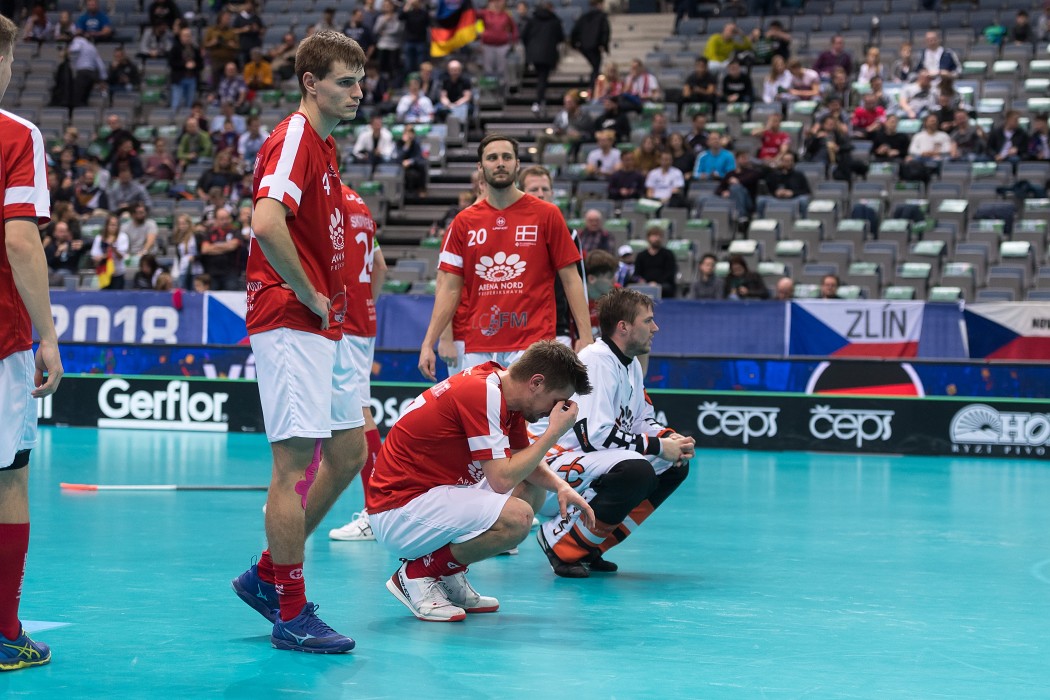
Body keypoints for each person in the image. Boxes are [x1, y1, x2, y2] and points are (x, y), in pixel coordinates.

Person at [229, 30, 368, 655]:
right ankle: (289, 608)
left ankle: (267, 572)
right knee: (290, 469)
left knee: (348, 452)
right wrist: (310, 292)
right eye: (346, 81)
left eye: (360, 80)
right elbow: (264, 221)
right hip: (290, 318)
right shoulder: (293, 139)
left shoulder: (326, 147)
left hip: (325, 327)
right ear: (312, 83)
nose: (358, 91)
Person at [368, 340, 594, 620]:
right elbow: (500, 480)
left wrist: (561, 486)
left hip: (432, 493)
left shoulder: (503, 391)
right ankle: (417, 574)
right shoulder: (482, 393)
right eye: (555, 401)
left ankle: (448, 573)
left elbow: (524, 459)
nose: (553, 411)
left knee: (531, 488)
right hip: (398, 509)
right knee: (518, 517)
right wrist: (553, 434)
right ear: (536, 383)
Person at [535, 288, 692, 578]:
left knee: (674, 466)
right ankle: (560, 543)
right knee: (638, 470)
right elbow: (594, 437)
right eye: (648, 321)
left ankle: (591, 545)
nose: (655, 328)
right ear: (623, 327)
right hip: (552, 469)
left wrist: (671, 441)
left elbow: (642, 419)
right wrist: (657, 447)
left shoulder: (630, 363)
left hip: (586, 463)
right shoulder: (596, 360)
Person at [417, 135, 593, 382]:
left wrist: (585, 336)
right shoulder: (463, 222)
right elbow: (449, 289)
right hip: (479, 344)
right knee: (481, 420)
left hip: (534, 342)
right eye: (492, 158)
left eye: (506, 157)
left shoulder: (547, 214)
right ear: (481, 168)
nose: (500, 163)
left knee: (534, 421)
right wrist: (429, 342)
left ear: (517, 164)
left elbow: (572, 280)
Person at [0, 14, 64, 671]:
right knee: (8, 476)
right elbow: (20, 239)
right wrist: (48, 336)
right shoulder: (15, 135)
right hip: (0, 339)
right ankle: (2, 632)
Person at [328, 182, 388, 543]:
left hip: (340, 318)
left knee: (355, 413)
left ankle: (377, 509)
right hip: (362, 318)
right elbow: (379, 267)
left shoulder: (328, 197)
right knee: (335, 409)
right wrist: (366, 302)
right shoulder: (359, 203)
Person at [522, 1, 564, 116]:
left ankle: (539, 100)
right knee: (543, 77)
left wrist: (530, 48)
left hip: (534, 54)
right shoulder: (555, 21)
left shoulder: (532, 20)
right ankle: (539, 101)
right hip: (548, 54)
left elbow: (524, 36)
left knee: (540, 76)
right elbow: (561, 38)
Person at [570, 0, 609, 89]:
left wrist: (575, 44)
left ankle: (594, 87)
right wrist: (603, 45)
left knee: (595, 67)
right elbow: (605, 32)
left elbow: (575, 31)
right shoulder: (601, 17)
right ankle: (593, 88)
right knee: (596, 67)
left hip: (584, 46)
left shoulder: (583, 17)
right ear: (599, 5)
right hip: (595, 47)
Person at [756, 151, 810, 216]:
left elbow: (806, 191)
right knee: (761, 200)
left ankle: (803, 222)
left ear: (793, 162)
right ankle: (761, 223)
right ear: (781, 161)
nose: (788, 163)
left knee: (803, 200)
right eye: (786, 161)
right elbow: (767, 189)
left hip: (794, 199)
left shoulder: (799, 175)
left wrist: (792, 193)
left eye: (790, 161)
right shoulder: (774, 174)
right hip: (776, 199)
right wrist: (776, 192)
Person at [632, 224, 677, 299]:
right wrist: (641, 281)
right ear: (648, 237)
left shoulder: (668, 254)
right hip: (645, 284)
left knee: (666, 288)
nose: (657, 238)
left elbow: (670, 273)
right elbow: (636, 274)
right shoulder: (641, 255)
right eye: (654, 236)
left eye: (659, 236)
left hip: (663, 284)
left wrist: (656, 283)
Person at [478, 0, 517, 82]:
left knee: (501, 69)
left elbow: (514, 29)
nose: (497, 4)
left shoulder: (506, 15)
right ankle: (490, 90)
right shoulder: (485, 13)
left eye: (499, 2)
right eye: (495, 2)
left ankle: (501, 89)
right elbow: (474, 14)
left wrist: (514, 41)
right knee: (488, 69)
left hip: (502, 46)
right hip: (488, 45)